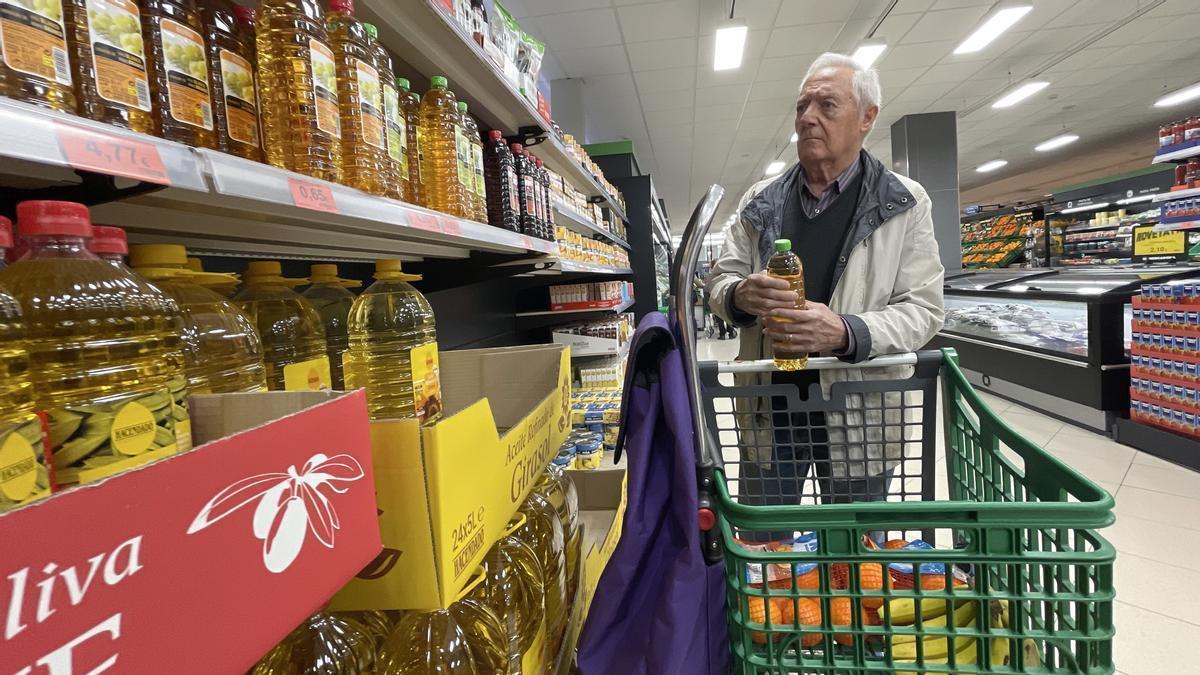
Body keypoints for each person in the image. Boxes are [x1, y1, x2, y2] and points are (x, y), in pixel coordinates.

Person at [705, 52, 945, 519]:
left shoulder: (904, 202)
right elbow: (720, 281)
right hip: (769, 409)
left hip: (860, 411)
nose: (808, 119)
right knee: (765, 547)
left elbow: (924, 309)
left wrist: (844, 331)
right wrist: (737, 295)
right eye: (802, 106)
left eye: (827, 106)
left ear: (867, 118)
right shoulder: (760, 201)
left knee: (854, 560)